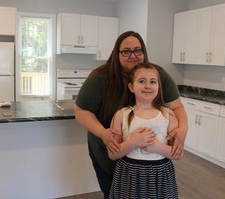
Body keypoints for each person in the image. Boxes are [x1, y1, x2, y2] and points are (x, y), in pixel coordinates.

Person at [74, 31, 187, 198]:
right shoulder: (100, 78)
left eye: (138, 50)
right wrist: (104, 134)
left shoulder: (158, 75)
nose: (132, 55)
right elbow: (81, 111)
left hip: (156, 169)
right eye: (126, 51)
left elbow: (177, 106)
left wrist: (183, 128)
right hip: (109, 151)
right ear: (117, 53)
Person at [108, 62, 183, 199]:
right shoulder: (121, 115)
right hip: (129, 176)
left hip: (161, 176)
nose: (148, 86)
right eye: (142, 81)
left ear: (158, 87)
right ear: (131, 87)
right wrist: (133, 142)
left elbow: (178, 154)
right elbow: (112, 155)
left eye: (153, 82)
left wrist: (157, 147)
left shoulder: (169, 116)